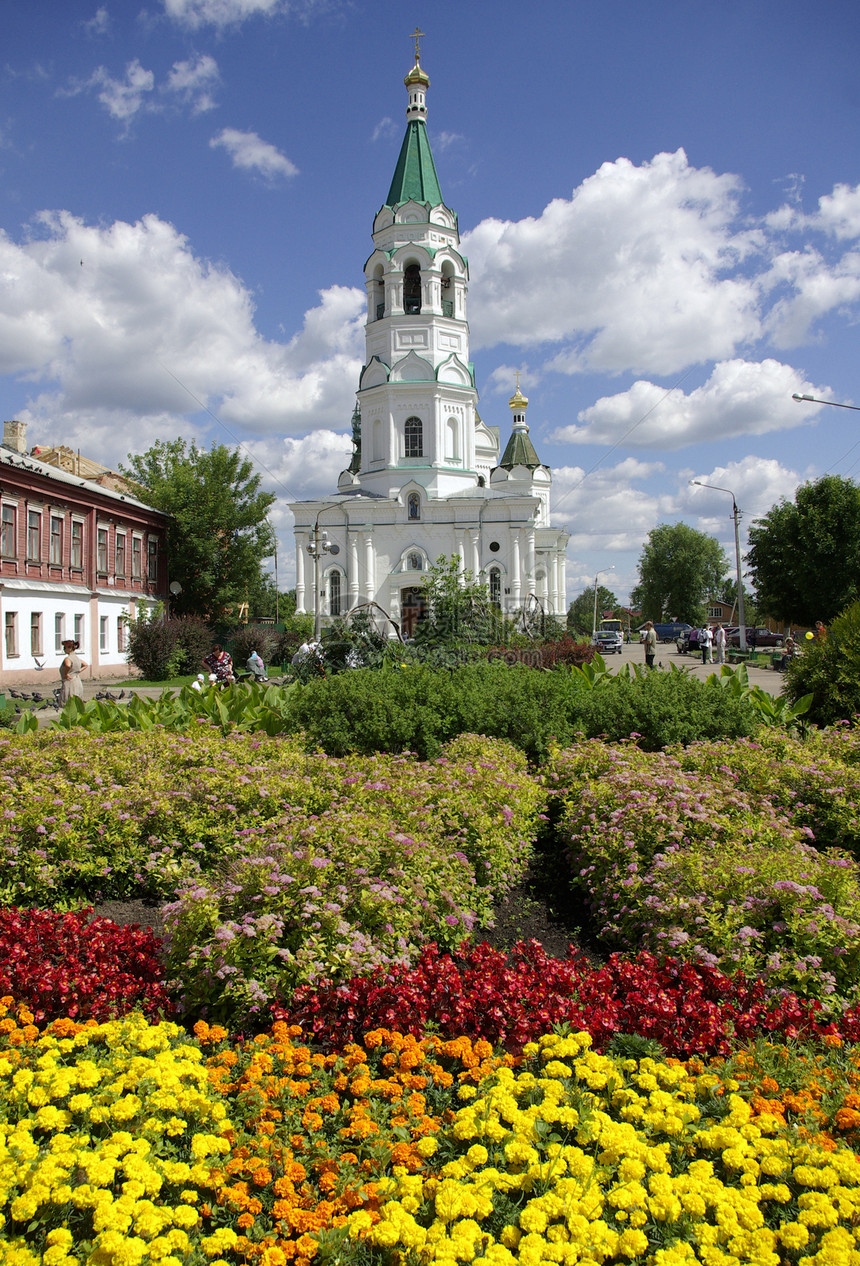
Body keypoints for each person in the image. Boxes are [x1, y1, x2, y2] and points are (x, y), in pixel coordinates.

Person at [58, 638, 88, 705]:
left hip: (69, 683)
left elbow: (68, 665)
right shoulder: (76, 658)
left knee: (69, 703)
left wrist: (66, 674)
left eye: (64, 647)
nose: (64, 649)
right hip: (77, 681)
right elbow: (85, 665)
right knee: (76, 703)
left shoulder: (68, 659)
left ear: (70, 648)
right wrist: (77, 672)